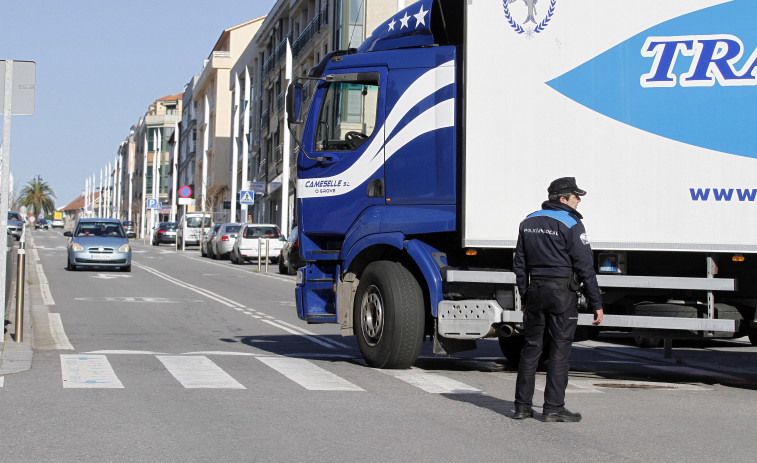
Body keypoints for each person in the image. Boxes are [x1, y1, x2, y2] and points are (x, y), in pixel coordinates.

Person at [512, 177, 604, 422]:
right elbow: (585, 267)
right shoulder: (571, 223)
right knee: (559, 352)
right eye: (576, 196)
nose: (579, 200)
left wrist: (524, 294)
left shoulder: (528, 220)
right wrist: (596, 303)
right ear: (562, 199)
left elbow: (519, 263)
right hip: (561, 294)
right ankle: (553, 407)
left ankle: (521, 407)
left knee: (531, 349)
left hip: (535, 291)